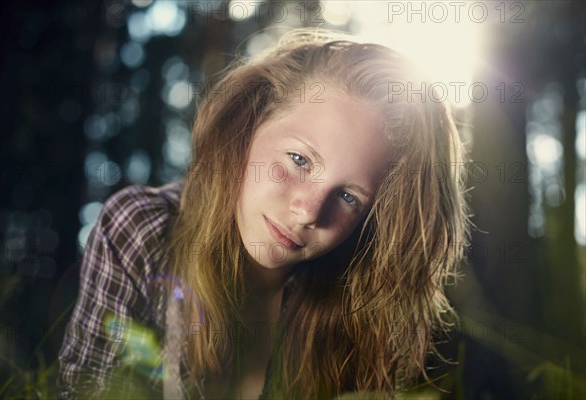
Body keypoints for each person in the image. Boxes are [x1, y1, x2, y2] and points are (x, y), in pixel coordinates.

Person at [58, 28, 469, 399]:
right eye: (299, 159)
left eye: (348, 197)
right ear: (248, 123)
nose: (308, 211)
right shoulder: (142, 231)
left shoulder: (358, 310)